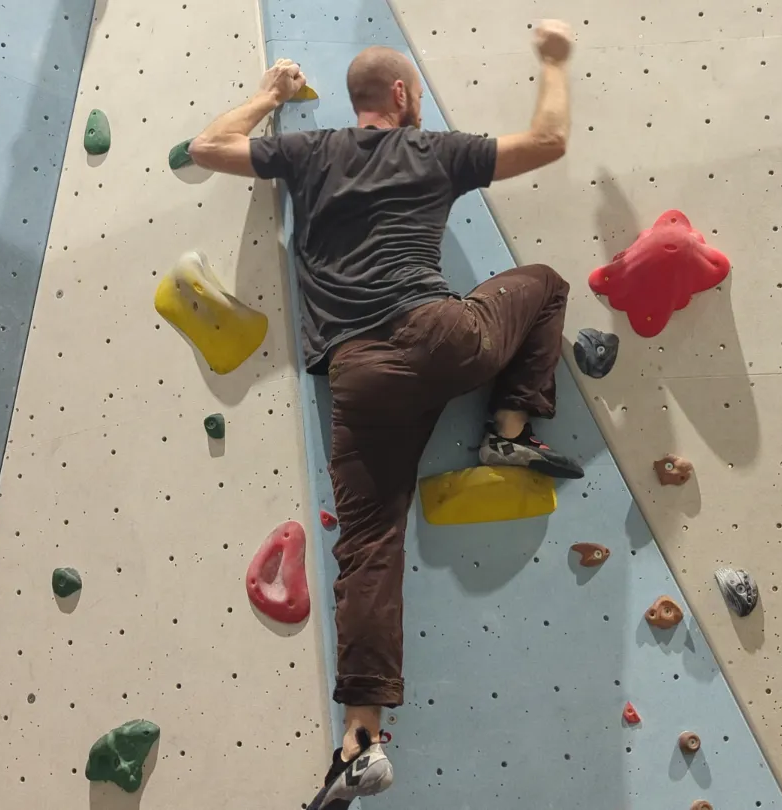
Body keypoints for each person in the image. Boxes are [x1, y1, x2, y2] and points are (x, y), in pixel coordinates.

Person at [189, 19, 580, 810]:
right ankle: (508, 433)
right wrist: (553, 60)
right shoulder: (431, 151)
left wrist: (267, 95)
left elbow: (205, 149)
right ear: (402, 98)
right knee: (544, 281)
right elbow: (548, 140)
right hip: (444, 337)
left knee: (368, 546)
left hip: (358, 372)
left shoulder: (307, 153)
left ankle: (358, 740)